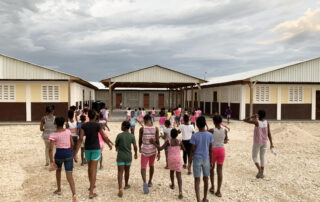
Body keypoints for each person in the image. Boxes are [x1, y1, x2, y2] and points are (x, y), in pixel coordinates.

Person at [74, 110, 113, 199]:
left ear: (88, 116)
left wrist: (75, 153)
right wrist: (109, 144)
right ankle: (91, 192)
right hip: (96, 148)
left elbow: (80, 139)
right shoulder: (97, 125)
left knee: (89, 168)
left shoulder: (84, 125)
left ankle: (91, 185)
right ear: (95, 117)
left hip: (87, 148)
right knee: (93, 169)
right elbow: (103, 136)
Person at [49, 117, 77, 202]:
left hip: (59, 154)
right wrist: (70, 151)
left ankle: (59, 189)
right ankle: (74, 194)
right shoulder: (68, 132)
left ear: (56, 124)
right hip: (68, 154)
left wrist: (51, 161)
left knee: (58, 171)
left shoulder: (53, 134)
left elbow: (50, 149)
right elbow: (72, 144)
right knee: (69, 175)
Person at [151, 129, 185, 199]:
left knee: (171, 172)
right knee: (179, 176)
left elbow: (160, 148)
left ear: (171, 134)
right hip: (178, 159)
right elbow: (184, 149)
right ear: (177, 135)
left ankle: (172, 185)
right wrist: (179, 148)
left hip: (171, 159)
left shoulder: (168, 141)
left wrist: (154, 143)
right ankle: (180, 191)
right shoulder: (179, 141)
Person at [188, 116, 213, 202]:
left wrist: (189, 163)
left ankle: (198, 199)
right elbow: (210, 150)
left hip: (196, 159)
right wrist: (212, 161)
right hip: (206, 159)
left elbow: (192, 151)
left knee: (197, 180)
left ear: (197, 125)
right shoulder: (209, 135)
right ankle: (205, 198)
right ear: (205, 125)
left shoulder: (194, 136)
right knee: (206, 179)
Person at [244, 110, 274, 179]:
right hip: (264, 142)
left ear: (258, 115)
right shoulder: (267, 122)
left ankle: (260, 170)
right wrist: (271, 143)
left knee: (254, 156)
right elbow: (269, 133)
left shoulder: (256, 122)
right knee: (262, 156)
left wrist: (252, 116)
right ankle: (262, 172)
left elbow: (245, 120)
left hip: (257, 142)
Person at [115, 121, 138, 197]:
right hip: (128, 156)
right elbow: (135, 146)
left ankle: (120, 188)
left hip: (120, 156)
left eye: (121, 126)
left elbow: (116, 144)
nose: (121, 127)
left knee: (120, 172)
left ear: (124, 127)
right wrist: (135, 153)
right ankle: (126, 184)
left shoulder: (119, 135)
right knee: (127, 171)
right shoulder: (132, 136)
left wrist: (117, 148)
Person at [139, 114, 160, 194]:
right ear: (150, 120)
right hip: (153, 151)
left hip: (145, 150)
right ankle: (150, 181)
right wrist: (159, 152)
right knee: (151, 165)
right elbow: (157, 141)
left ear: (145, 120)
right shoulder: (156, 128)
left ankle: (144, 182)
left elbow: (140, 140)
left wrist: (139, 147)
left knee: (143, 167)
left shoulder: (142, 129)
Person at [208, 115, 229, 197]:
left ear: (214, 122)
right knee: (220, 171)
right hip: (221, 150)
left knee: (211, 169)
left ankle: (212, 187)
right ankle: (218, 191)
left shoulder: (212, 130)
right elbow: (225, 140)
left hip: (213, 150)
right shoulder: (225, 130)